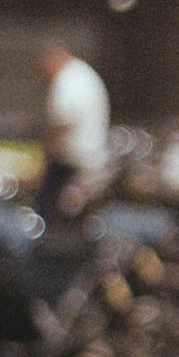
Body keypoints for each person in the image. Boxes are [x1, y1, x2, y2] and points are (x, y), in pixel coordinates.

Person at [33, 43, 110, 224]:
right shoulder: (84, 73)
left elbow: (60, 126)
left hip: (72, 164)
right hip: (92, 160)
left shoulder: (68, 80)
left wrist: (43, 162)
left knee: (50, 215)